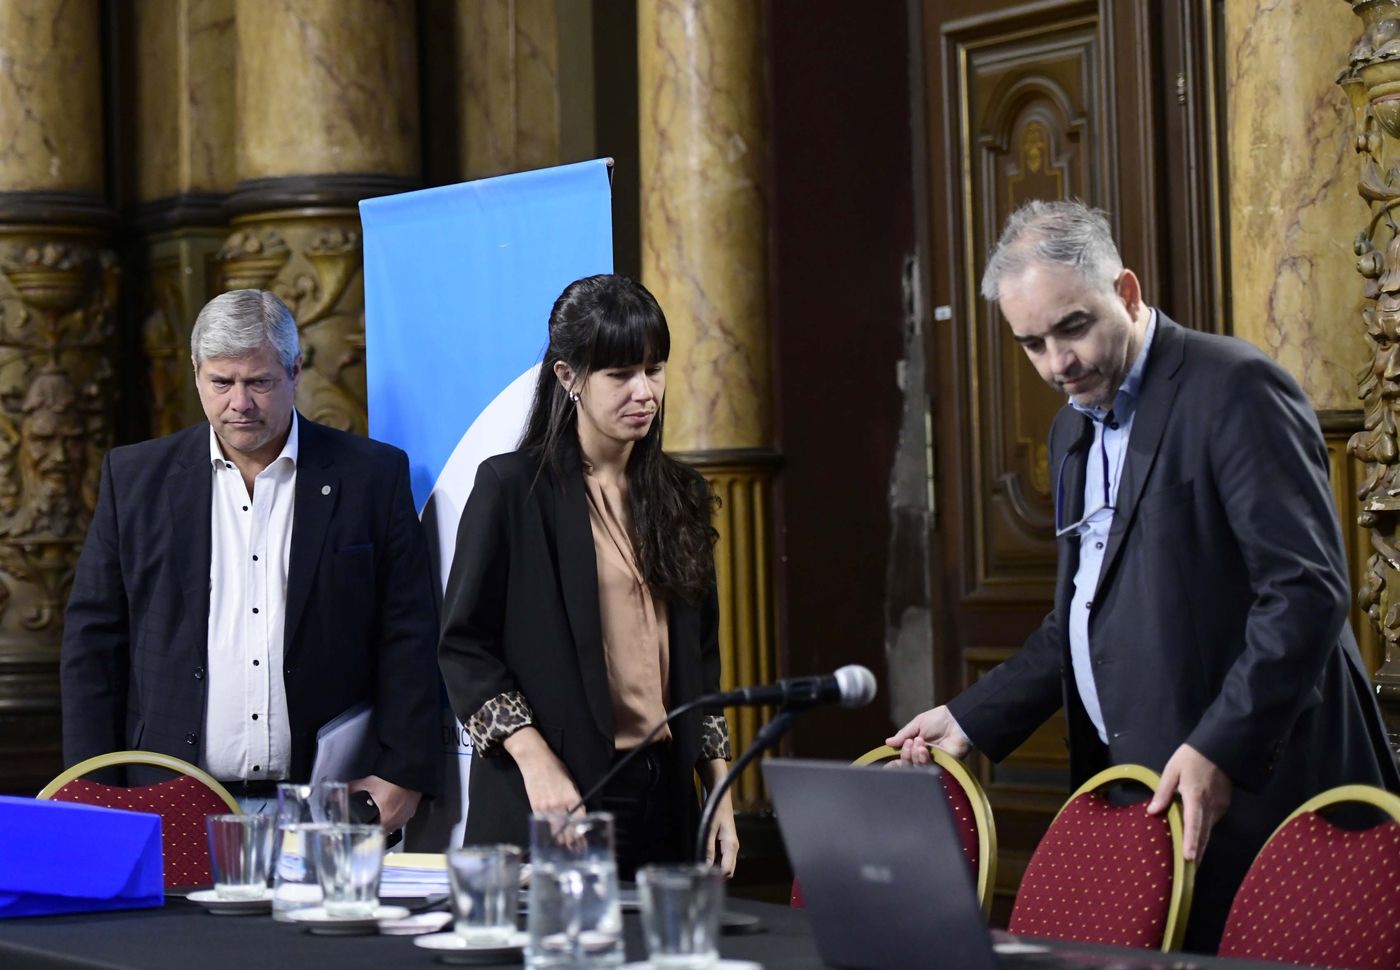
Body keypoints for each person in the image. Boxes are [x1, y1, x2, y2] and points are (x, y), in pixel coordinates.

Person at [888, 200, 1400, 951]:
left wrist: (1222, 744)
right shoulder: (1069, 429)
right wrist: (971, 717)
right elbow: (1079, 618)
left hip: (1269, 797)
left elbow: (1306, 591)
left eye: (1073, 328)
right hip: (1143, 806)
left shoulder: (1235, 387)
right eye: (1031, 344)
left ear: (1125, 293)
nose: (1057, 364)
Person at [61, 289, 440, 828]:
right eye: (222, 383)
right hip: (165, 803)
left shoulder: (370, 477)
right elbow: (93, 643)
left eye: (259, 382)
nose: (239, 403)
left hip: (331, 806)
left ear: (295, 371)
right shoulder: (135, 478)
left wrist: (404, 773)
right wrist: (90, 792)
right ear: (196, 374)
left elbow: (409, 632)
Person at [439, 274, 739, 877]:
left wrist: (722, 796)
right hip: (551, 803)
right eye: (620, 373)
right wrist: (535, 761)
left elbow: (700, 667)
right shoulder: (510, 489)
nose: (644, 392)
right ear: (568, 377)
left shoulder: (681, 494)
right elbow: (464, 648)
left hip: (665, 803)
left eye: (654, 370)